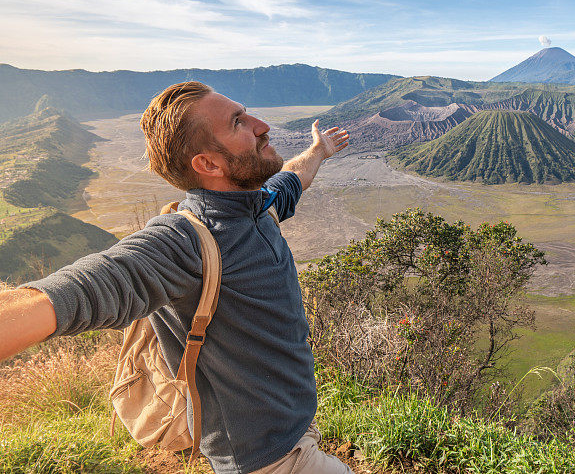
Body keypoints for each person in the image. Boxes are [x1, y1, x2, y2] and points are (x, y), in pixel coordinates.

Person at [0, 81, 354, 474]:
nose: (261, 125)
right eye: (238, 123)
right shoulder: (184, 242)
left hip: (294, 430)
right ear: (209, 164)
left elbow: (292, 178)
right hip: (268, 459)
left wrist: (320, 149)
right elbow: (80, 290)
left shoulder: (259, 204)